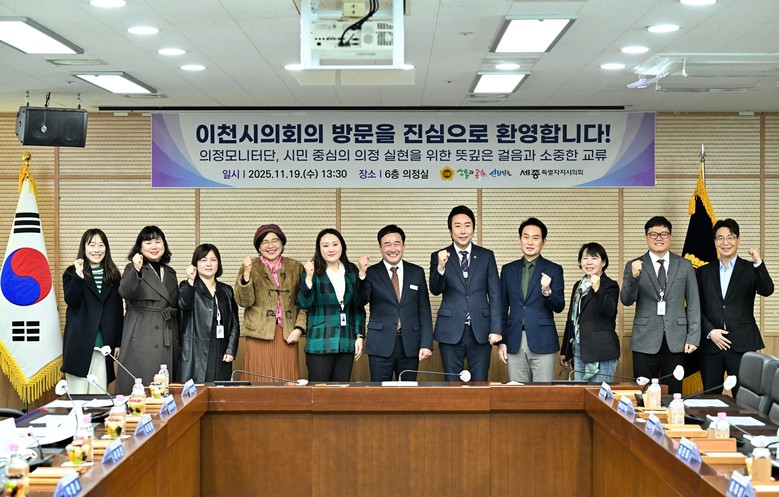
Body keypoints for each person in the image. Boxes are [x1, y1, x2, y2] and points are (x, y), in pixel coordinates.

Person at [620, 216, 700, 395]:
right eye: (653, 234)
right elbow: (626, 300)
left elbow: (694, 303)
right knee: (644, 393)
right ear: (646, 237)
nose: (659, 238)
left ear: (670, 236)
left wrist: (693, 337)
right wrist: (634, 276)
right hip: (644, 340)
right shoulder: (634, 265)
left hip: (676, 340)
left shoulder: (685, 265)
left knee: (673, 393)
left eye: (663, 234)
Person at [698, 218, 774, 395]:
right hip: (711, 345)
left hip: (742, 343)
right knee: (711, 398)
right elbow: (696, 308)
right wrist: (710, 331)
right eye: (720, 238)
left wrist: (758, 262)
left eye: (730, 237)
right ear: (715, 242)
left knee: (745, 398)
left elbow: (767, 290)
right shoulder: (703, 272)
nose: (725, 242)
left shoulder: (751, 268)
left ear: (738, 240)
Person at [429, 205, 502, 382]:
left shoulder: (486, 256)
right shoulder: (439, 255)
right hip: (450, 329)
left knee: (480, 381)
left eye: (467, 225)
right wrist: (440, 267)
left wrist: (496, 329)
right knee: (452, 382)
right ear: (450, 230)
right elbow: (435, 290)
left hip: (481, 330)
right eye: (458, 226)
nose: (463, 231)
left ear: (473, 229)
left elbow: (495, 294)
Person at [354, 225, 433, 382]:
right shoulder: (372, 272)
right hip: (380, 344)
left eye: (397, 244)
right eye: (387, 244)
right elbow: (360, 301)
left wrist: (426, 344)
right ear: (380, 248)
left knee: (408, 392)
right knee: (379, 393)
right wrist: (361, 274)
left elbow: (424, 310)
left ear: (403, 246)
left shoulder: (416, 272)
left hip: (410, 344)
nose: (392, 249)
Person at [234, 224, 307, 381]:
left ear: (282, 243)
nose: (270, 246)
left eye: (275, 240)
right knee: (258, 379)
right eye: (265, 242)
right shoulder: (251, 266)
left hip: (287, 334)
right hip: (258, 333)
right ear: (258, 247)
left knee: (286, 379)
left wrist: (299, 328)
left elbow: (304, 303)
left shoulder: (295, 267)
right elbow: (244, 302)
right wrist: (246, 274)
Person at [499, 217, 565, 382]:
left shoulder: (554, 269)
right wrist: (502, 341)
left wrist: (547, 291)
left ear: (544, 242)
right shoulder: (508, 270)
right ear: (519, 239)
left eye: (535, 238)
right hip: (514, 340)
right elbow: (501, 308)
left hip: (543, 340)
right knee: (516, 391)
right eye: (526, 237)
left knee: (543, 393)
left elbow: (559, 306)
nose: (530, 242)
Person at [117, 226, 179, 393]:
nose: (154, 246)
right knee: (140, 388)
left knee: (164, 388)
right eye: (148, 242)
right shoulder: (132, 268)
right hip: (141, 335)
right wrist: (136, 269)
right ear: (140, 247)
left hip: (166, 335)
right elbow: (125, 292)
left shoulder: (170, 272)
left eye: (158, 241)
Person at [61, 229, 124, 394]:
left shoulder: (113, 275)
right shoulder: (71, 273)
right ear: (84, 248)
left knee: (99, 396)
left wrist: (118, 342)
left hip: (104, 345)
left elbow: (118, 311)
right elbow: (72, 300)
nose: (97, 250)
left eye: (101, 245)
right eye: (92, 245)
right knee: (78, 396)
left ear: (106, 248)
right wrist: (79, 274)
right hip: (79, 342)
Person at [298, 228, 365, 382]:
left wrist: (359, 335)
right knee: (318, 390)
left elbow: (358, 306)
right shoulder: (312, 270)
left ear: (342, 246)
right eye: (325, 245)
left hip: (346, 341)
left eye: (335, 244)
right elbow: (304, 303)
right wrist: (308, 278)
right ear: (319, 249)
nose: (331, 249)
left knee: (341, 391)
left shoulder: (351, 270)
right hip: (319, 341)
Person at [178, 244, 240, 383]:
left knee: (219, 389)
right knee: (195, 390)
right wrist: (191, 281)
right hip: (195, 351)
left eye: (213, 259)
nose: (209, 264)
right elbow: (184, 304)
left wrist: (231, 350)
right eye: (203, 260)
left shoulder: (226, 290)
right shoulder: (187, 285)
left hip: (220, 349)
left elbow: (234, 323)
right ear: (195, 263)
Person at [560, 242, 620, 383]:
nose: (589, 262)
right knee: (580, 393)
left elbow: (609, 311)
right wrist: (565, 351)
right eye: (585, 258)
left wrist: (598, 289)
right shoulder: (578, 285)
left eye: (594, 258)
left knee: (599, 394)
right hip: (579, 351)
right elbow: (573, 318)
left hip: (602, 353)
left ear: (603, 262)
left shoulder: (610, 285)